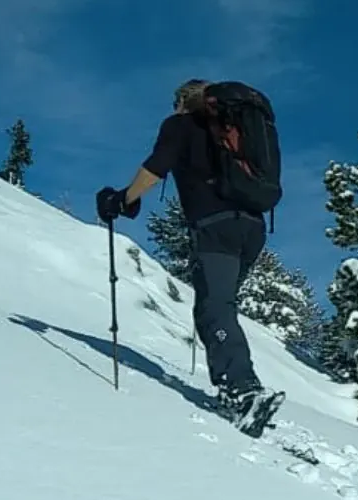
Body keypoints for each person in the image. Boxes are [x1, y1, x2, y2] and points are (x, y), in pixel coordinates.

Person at [96, 79, 283, 432]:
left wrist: (123, 199)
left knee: (215, 309)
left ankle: (243, 391)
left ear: (183, 101)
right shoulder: (235, 129)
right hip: (252, 228)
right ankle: (238, 386)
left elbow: (156, 167)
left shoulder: (181, 125)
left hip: (216, 226)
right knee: (218, 306)